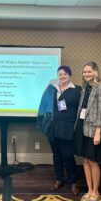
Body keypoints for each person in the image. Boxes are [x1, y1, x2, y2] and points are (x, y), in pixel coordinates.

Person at [37, 65, 81, 194]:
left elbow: (80, 109)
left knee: (67, 155)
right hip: (53, 127)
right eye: (60, 74)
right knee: (57, 155)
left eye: (65, 74)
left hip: (68, 128)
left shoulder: (77, 90)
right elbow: (45, 105)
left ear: (70, 75)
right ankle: (59, 179)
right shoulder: (53, 89)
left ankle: (73, 182)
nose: (62, 76)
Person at [73, 61, 101, 201]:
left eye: (89, 71)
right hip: (82, 127)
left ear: (95, 72)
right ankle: (89, 190)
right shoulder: (85, 87)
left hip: (94, 129)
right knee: (85, 160)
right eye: (84, 72)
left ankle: (96, 191)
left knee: (93, 161)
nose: (86, 74)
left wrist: (98, 132)